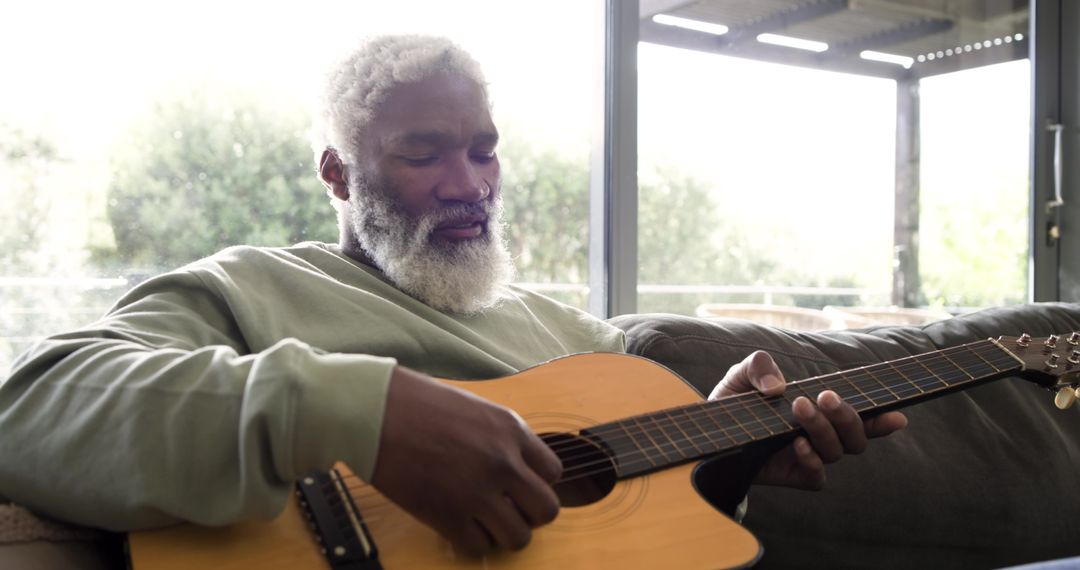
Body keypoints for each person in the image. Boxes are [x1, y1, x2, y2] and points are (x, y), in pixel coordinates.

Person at [0, 34, 907, 558]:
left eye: (484, 148)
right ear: (339, 174)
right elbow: (33, 411)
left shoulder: (569, 334)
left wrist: (723, 460)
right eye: (424, 153)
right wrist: (361, 412)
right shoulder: (249, 287)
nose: (470, 183)